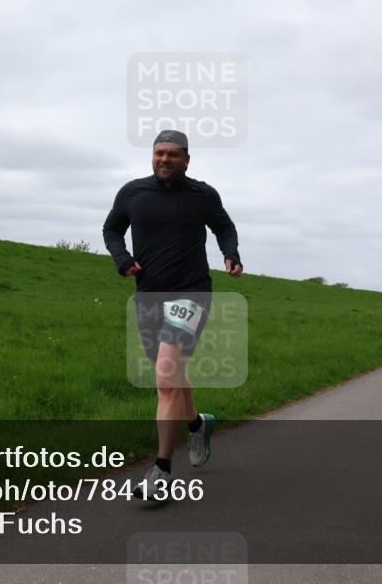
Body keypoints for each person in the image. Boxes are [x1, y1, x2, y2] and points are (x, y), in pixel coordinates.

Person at [102, 129, 242, 500]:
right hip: (149, 294)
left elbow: (224, 226)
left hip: (191, 292)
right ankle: (197, 425)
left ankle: (162, 471)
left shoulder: (202, 195)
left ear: (186, 159)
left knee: (165, 377)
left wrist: (231, 253)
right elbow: (112, 228)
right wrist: (122, 260)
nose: (164, 160)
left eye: (172, 155)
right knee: (173, 374)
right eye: (159, 153)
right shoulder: (133, 193)